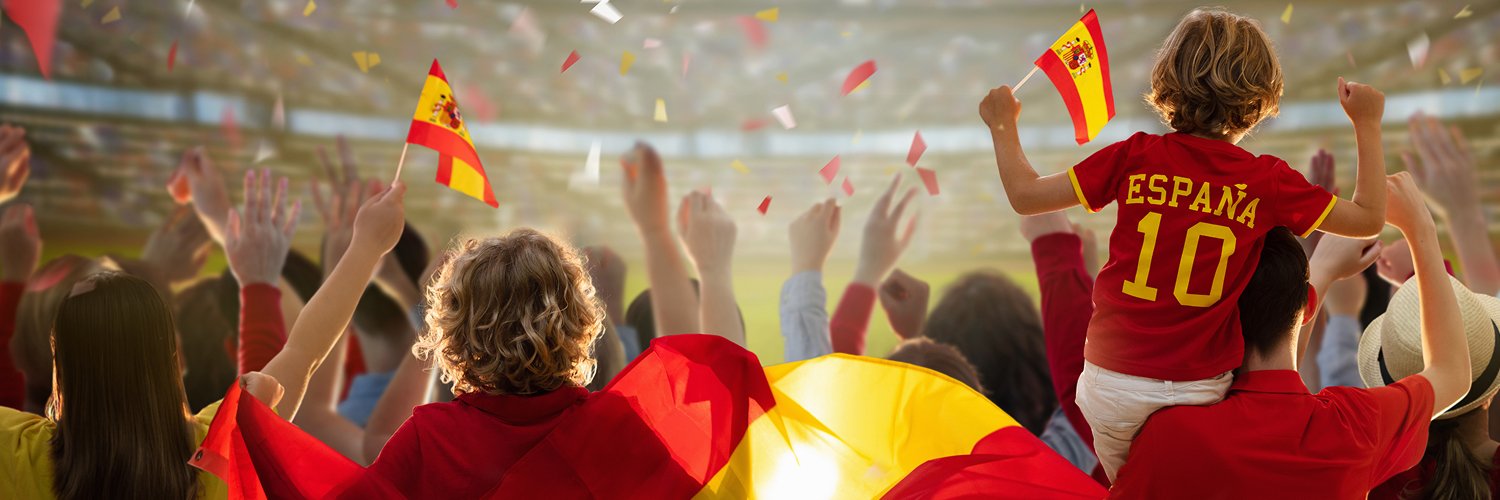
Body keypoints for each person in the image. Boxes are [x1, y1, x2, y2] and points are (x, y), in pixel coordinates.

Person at [978, 7, 1389, 479]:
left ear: (1167, 79)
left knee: (1130, 483)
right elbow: (1367, 219)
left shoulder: (1134, 155)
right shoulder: (1266, 180)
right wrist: (1367, 122)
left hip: (1109, 385)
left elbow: (1026, 196)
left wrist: (1003, 125)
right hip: (1201, 393)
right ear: (1261, 98)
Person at [1105, 174, 1473, 497]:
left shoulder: (1171, 437)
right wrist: (1419, 229)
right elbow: (1453, 373)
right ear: (1308, 304)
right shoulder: (1352, 428)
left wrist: (1322, 271)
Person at [0, 165, 336, 499]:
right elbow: (302, 353)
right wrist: (366, 243)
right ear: (167, 356)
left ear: (60, 362)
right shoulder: (219, 454)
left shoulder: (16, 453)